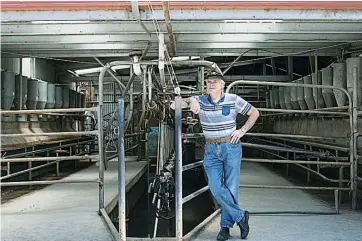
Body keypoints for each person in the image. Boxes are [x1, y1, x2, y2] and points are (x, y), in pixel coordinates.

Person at [172, 71, 260, 240]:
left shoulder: (233, 99)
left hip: (231, 146)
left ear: (222, 85)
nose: (211, 84)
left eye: (215, 81)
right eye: (208, 81)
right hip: (211, 148)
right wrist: (189, 101)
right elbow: (172, 105)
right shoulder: (200, 100)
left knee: (231, 187)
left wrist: (242, 130)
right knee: (215, 186)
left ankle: (225, 227)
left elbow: (254, 113)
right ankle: (241, 216)